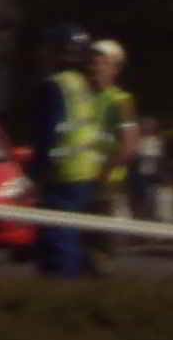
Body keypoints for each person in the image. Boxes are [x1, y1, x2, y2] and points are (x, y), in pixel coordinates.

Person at [15, 24, 110, 278]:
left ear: (57, 52)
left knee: (57, 239)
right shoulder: (83, 86)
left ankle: (63, 296)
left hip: (62, 175)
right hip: (85, 174)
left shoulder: (54, 86)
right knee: (74, 236)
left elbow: (51, 133)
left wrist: (33, 176)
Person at [92, 40, 144, 258]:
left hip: (107, 184)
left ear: (116, 68)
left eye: (102, 62)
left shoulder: (121, 100)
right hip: (83, 179)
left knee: (101, 248)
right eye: (93, 62)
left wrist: (106, 171)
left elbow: (130, 146)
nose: (95, 66)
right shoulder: (85, 96)